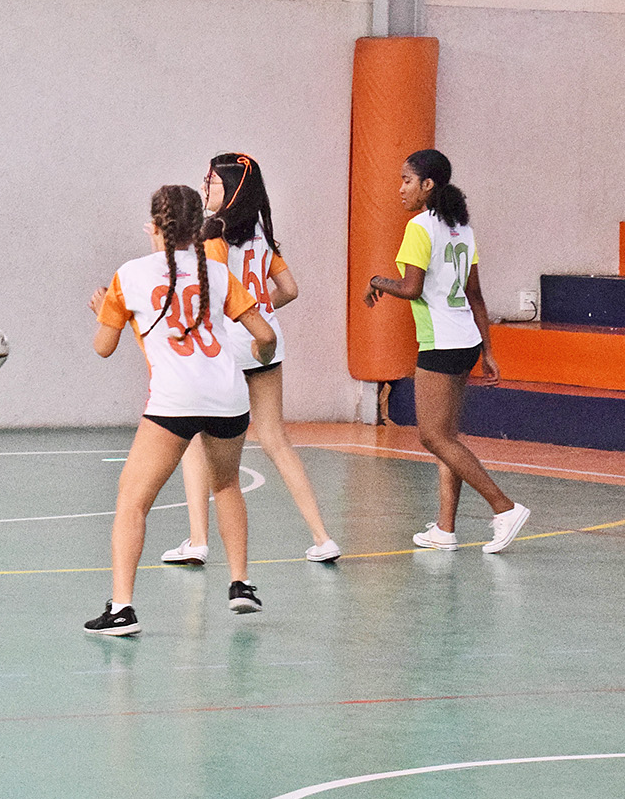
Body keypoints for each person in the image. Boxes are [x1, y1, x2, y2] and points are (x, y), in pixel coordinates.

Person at [84, 184, 277, 637]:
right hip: (228, 397)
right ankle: (241, 584)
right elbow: (266, 336)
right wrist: (261, 357)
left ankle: (122, 609)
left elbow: (103, 348)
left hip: (175, 400)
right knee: (226, 485)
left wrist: (103, 313)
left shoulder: (129, 275)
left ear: (153, 227)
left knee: (133, 500)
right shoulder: (217, 273)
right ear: (198, 229)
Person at [161, 153, 341, 566]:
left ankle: (198, 541)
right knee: (275, 439)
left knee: (195, 440)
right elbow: (289, 289)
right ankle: (322, 537)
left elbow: (210, 295)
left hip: (226, 347)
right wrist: (259, 314)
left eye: (210, 181)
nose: (203, 186)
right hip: (266, 343)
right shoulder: (259, 232)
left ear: (230, 189)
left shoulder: (213, 235)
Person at [364, 149, 530, 553]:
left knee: (433, 437)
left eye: (406, 180)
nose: (401, 188)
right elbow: (475, 295)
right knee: (447, 438)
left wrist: (377, 281)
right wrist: (487, 351)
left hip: (440, 343)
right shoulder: (462, 228)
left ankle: (504, 507)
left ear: (428, 185)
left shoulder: (420, 228)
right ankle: (445, 529)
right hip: (466, 340)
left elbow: (411, 288)